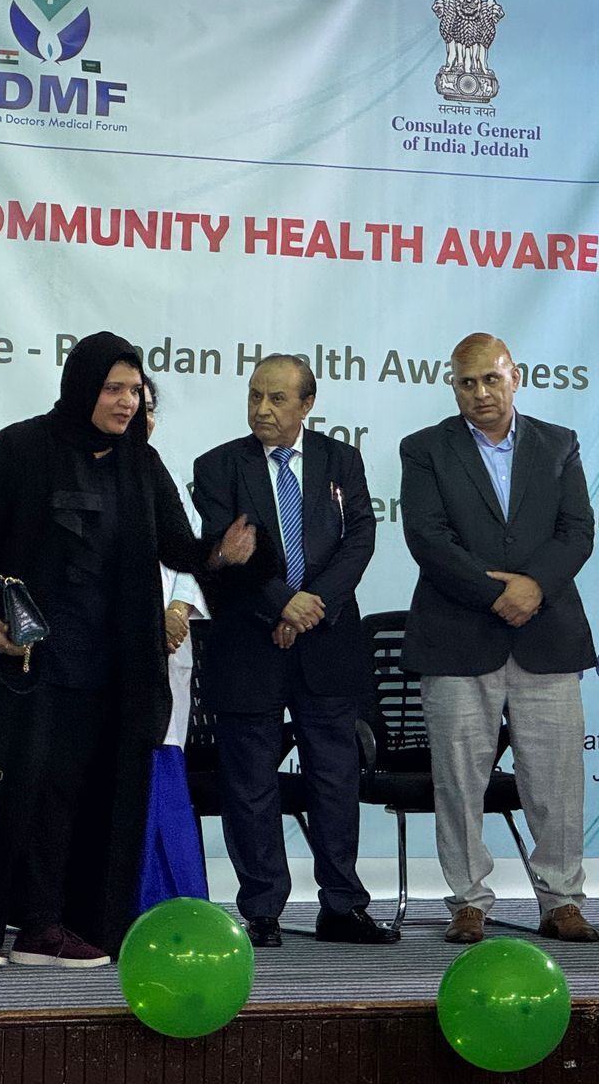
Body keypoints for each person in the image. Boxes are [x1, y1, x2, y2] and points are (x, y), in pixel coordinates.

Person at [0, 331, 256, 968]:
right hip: (23, 662)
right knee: (10, 790)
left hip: (104, 665)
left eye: (136, 391)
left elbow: (176, 547)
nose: (127, 402)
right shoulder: (19, 448)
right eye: (114, 389)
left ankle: (46, 927)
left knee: (71, 798)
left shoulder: (140, 464)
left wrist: (220, 555)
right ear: (82, 388)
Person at [400, 332, 599, 945]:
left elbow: (577, 531)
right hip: (458, 634)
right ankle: (468, 901)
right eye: (467, 382)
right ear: (453, 386)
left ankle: (562, 900)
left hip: (546, 634)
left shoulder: (558, 443)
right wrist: (496, 594)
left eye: (491, 378)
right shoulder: (425, 448)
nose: (480, 392)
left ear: (516, 378)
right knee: (459, 781)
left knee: (557, 781)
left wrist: (533, 586)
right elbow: (428, 537)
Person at [192, 353, 395, 947]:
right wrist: (283, 603)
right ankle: (261, 910)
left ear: (307, 404)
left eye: (277, 398)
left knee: (334, 778)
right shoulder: (217, 466)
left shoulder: (341, 460)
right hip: (247, 643)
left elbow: (360, 539)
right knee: (250, 782)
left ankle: (342, 906)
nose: (262, 409)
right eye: (255, 396)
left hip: (325, 643)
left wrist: (311, 607)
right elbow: (225, 554)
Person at [138, 376, 212, 912]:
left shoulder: (159, 473)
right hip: (113, 654)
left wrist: (179, 609)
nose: (138, 414)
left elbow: (185, 556)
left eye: (147, 407)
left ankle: (174, 903)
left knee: (164, 765)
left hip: (168, 651)